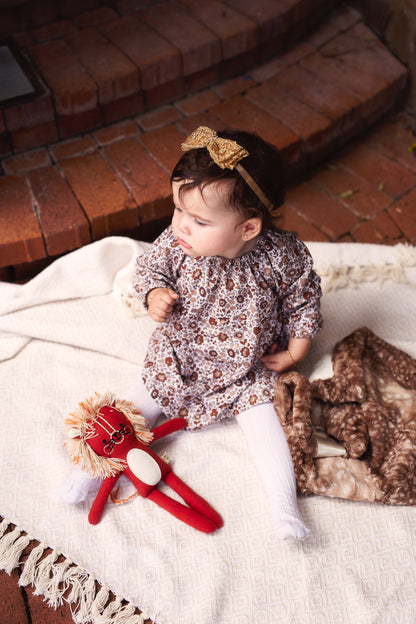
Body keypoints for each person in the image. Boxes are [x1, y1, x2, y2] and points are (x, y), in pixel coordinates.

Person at [125, 126, 323, 540]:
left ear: (248, 229)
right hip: (181, 353)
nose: (181, 226)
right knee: (137, 406)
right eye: (178, 209)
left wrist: (295, 352)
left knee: (266, 424)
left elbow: (303, 298)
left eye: (199, 220)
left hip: (248, 366)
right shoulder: (176, 243)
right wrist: (154, 293)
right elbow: (149, 268)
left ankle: (285, 508)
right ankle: (96, 469)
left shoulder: (281, 255)